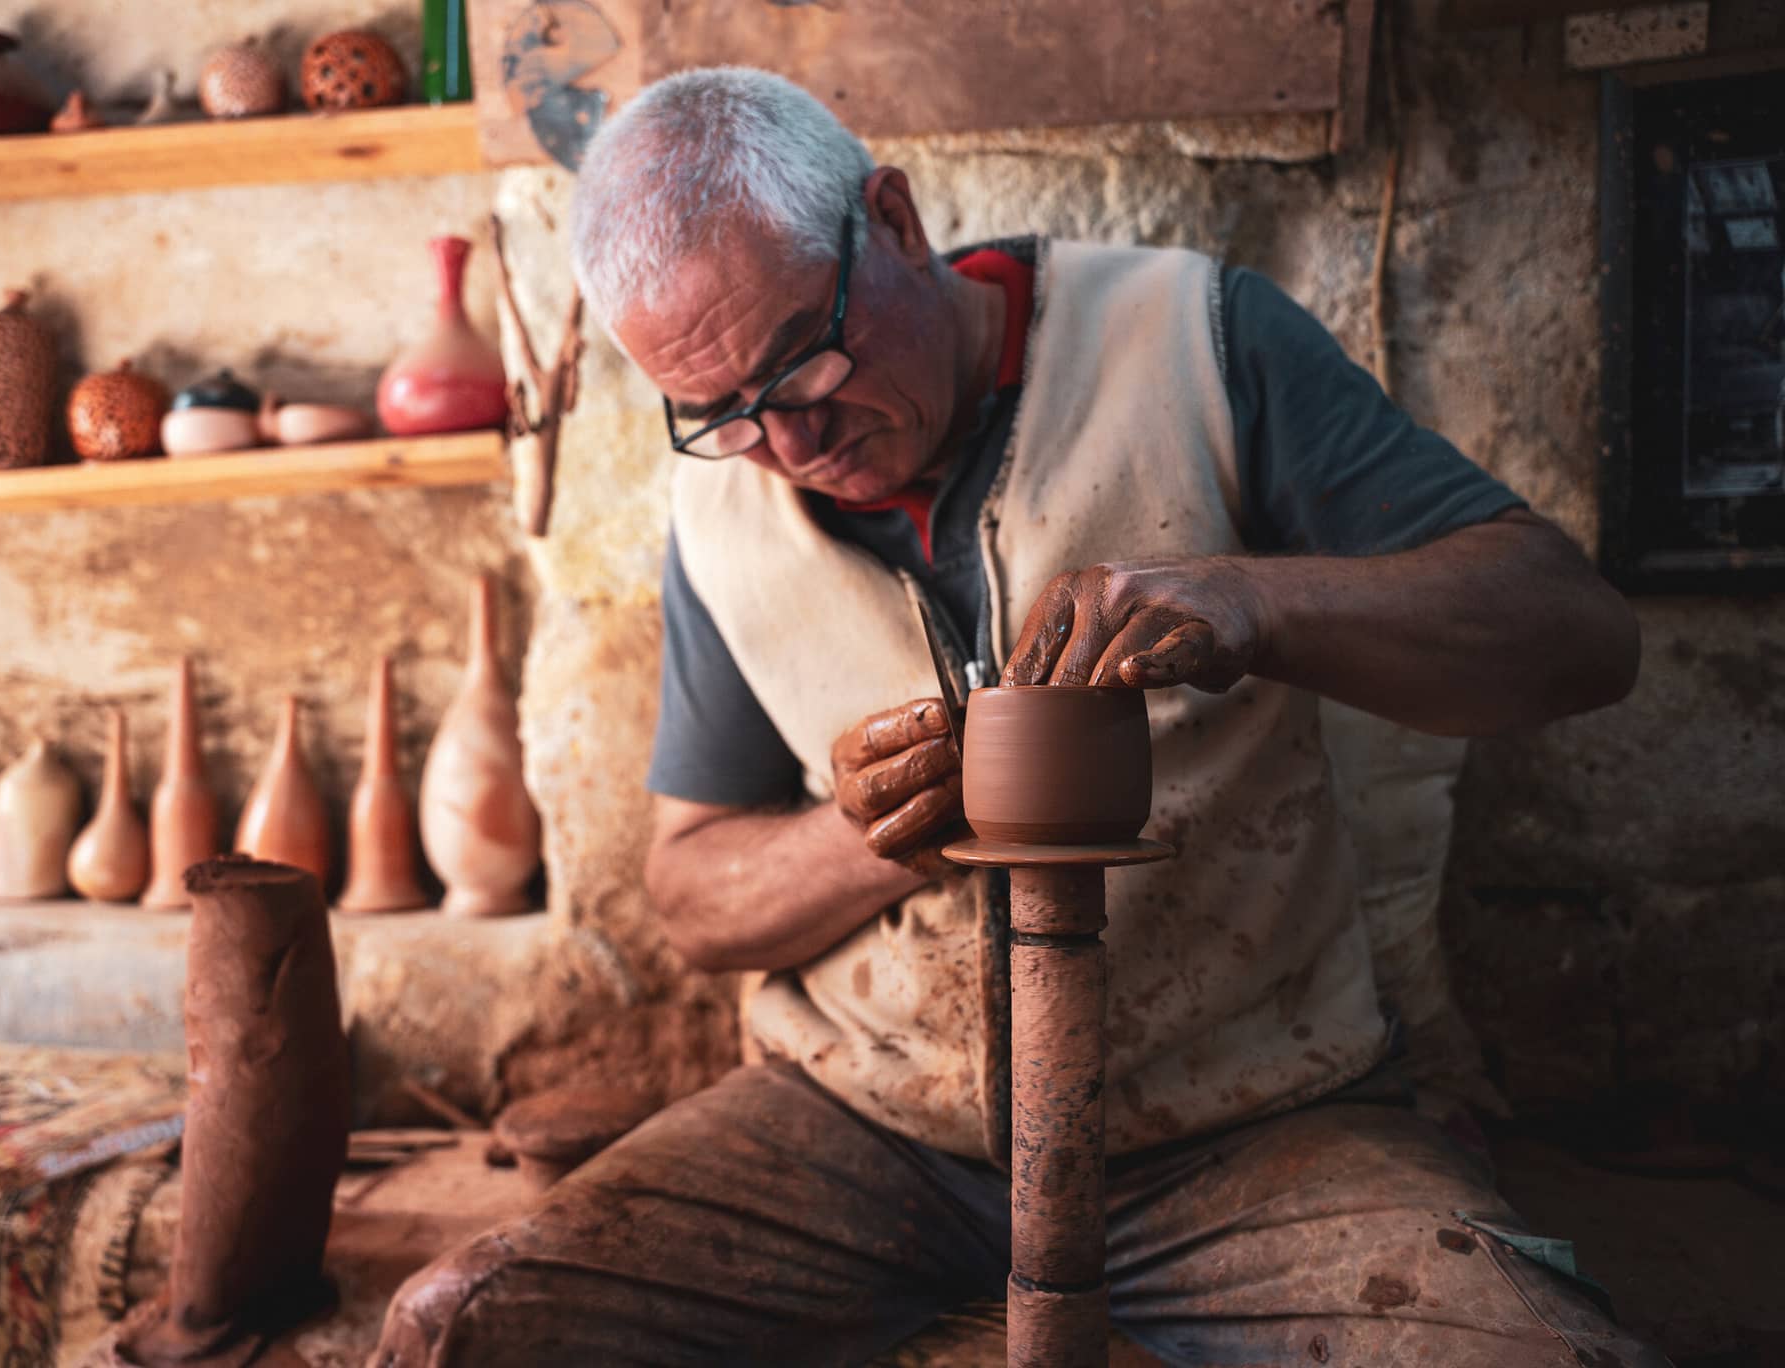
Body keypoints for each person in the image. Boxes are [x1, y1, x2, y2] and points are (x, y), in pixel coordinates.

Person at [372, 68, 1663, 1367]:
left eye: (801, 362)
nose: (792, 444)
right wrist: (866, 837)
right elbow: (695, 897)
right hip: (871, 1136)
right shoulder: (721, 508)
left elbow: (1579, 637)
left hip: (1246, 1133)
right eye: (720, 412)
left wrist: (1257, 600)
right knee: (457, 1330)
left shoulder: (1193, 340)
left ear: (893, 220)